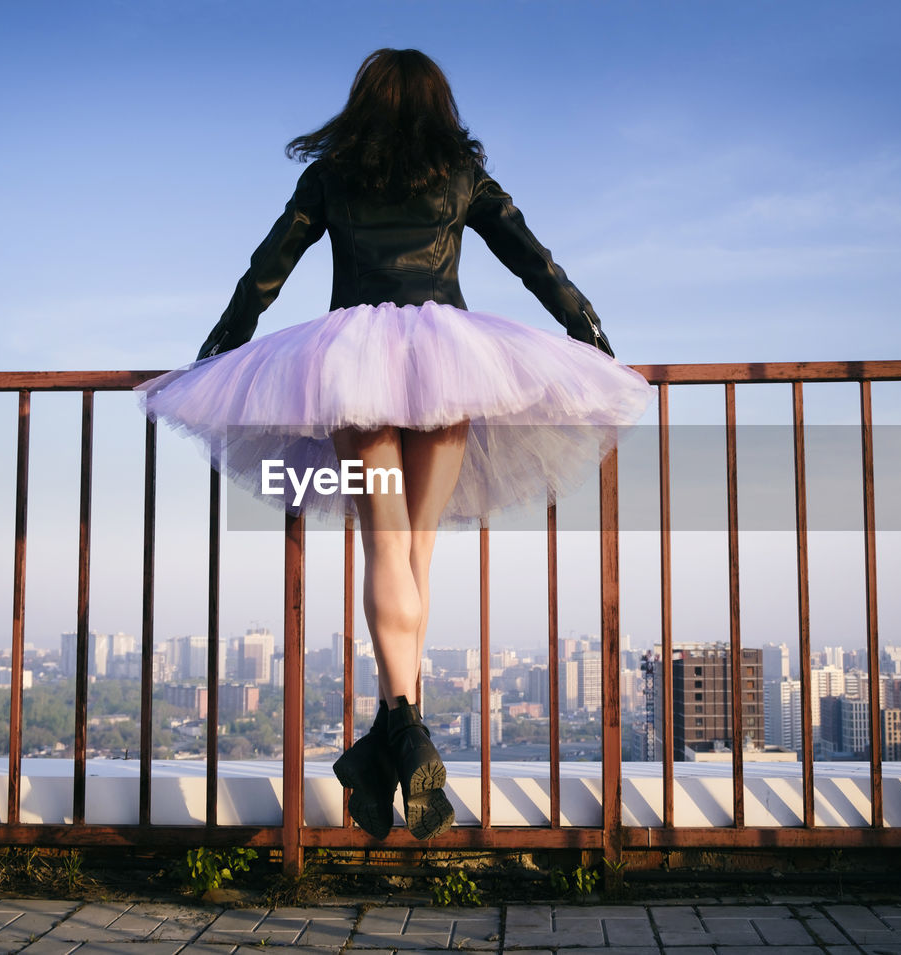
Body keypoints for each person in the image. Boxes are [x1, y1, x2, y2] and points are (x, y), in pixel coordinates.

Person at [138, 49, 651, 841]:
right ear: (440, 108)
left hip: (355, 364)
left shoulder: (335, 173)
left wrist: (219, 348)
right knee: (415, 552)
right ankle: (401, 731)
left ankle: (395, 729)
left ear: (362, 105)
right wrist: (592, 336)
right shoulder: (460, 172)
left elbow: (266, 269)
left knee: (385, 548)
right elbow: (532, 261)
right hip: (451, 360)